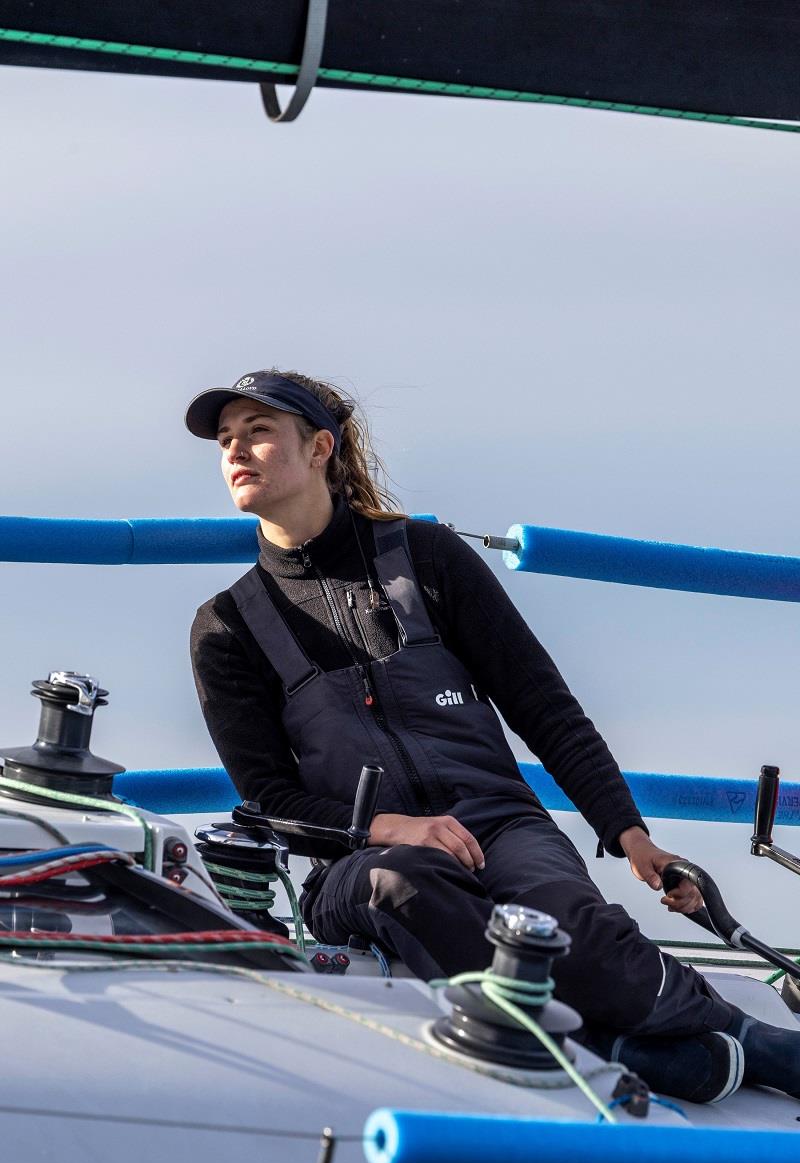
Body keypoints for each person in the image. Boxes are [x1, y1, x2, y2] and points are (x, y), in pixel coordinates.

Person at [187, 367, 799, 1105]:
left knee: (567, 922)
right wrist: (392, 827)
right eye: (225, 440)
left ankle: (744, 1041)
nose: (236, 452)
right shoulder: (227, 626)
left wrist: (631, 835)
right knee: (404, 883)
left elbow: (544, 706)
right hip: (358, 859)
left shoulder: (429, 559)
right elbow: (267, 801)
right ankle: (619, 1046)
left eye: (258, 433)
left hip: (500, 821)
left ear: (319, 448)